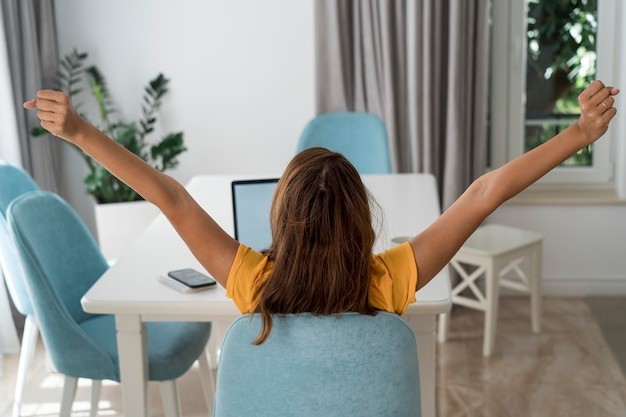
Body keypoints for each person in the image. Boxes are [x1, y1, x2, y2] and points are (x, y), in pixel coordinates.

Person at [24, 80, 619, 343]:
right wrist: (578, 134)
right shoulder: (388, 282)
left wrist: (79, 131)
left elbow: (171, 196)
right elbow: (484, 193)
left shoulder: (254, 283)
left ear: (279, 219)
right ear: (362, 221)